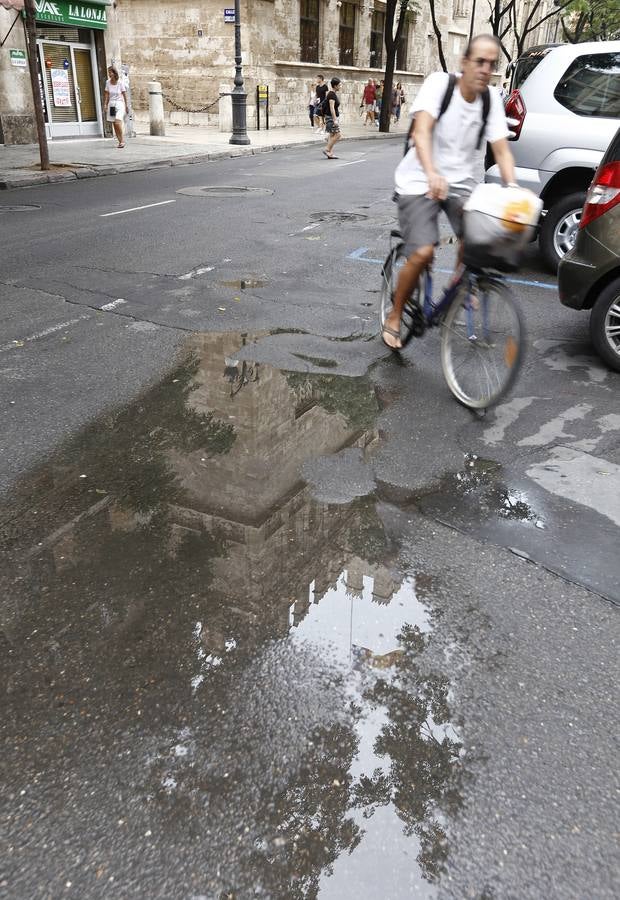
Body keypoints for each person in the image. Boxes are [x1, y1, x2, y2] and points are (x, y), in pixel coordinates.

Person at [382, 34, 517, 349]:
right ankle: (394, 314)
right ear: (465, 63)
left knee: (480, 239)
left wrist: (513, 190)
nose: (486, 69)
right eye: (480, 62)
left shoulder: (491, 100)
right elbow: (422, 130)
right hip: (419, 179)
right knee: (423, 251)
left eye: (492, 64)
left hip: (461, 184)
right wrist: (432, 173)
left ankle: (461, 287)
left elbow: (502, 150)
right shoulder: (439, 85)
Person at [104, 65, 129, 149]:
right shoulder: (108, 82)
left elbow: (124, 94)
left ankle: (122, 140)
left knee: (118, 122)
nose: (109, 74)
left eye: (110, 72)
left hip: (119, 104)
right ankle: (120, 141)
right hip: (111, 105)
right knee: (114, 124)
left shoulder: (120, 82)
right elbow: (107, 94)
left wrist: (126, 106)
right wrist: (105, 104)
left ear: (114, 73)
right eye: (108, 72)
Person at [322, 77, 342, 160]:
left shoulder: (332, 94)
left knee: (332, 135)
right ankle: (327, 149)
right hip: (330, 118)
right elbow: (332, 108)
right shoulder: (331, 95)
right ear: (335, 86)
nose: (341, 86)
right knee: (338, 135)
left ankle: (329, 152)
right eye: (339, 85)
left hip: (330, 117)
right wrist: (335, 120)